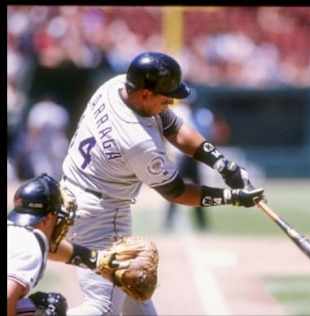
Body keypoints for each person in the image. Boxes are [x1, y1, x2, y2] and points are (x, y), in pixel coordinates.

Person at [60, 51, 264, 315]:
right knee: (103, 307)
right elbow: (177, 192)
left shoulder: (116, 86)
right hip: (100, 214)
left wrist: (223, 164)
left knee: (136, 293)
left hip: (76, 194)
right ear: (145, 94)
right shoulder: (138, 142)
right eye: (166, 97)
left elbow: (174, 128)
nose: (171, 102)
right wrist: (232, 197)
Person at [7, 173, 146, 316]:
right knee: (49, 309)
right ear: (47, 219)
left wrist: (96, 259)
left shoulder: (17, 232)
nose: (62, 220)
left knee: (39, 306)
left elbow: (48, 249)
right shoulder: (30, 250)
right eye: (58, 214)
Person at [163, 88, 209, 231]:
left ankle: (201, 222)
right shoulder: (178, 111)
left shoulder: (197, 114)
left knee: (198, 188)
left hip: (192, 157)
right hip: (180, 156)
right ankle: (169, 220)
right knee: (176, 189)